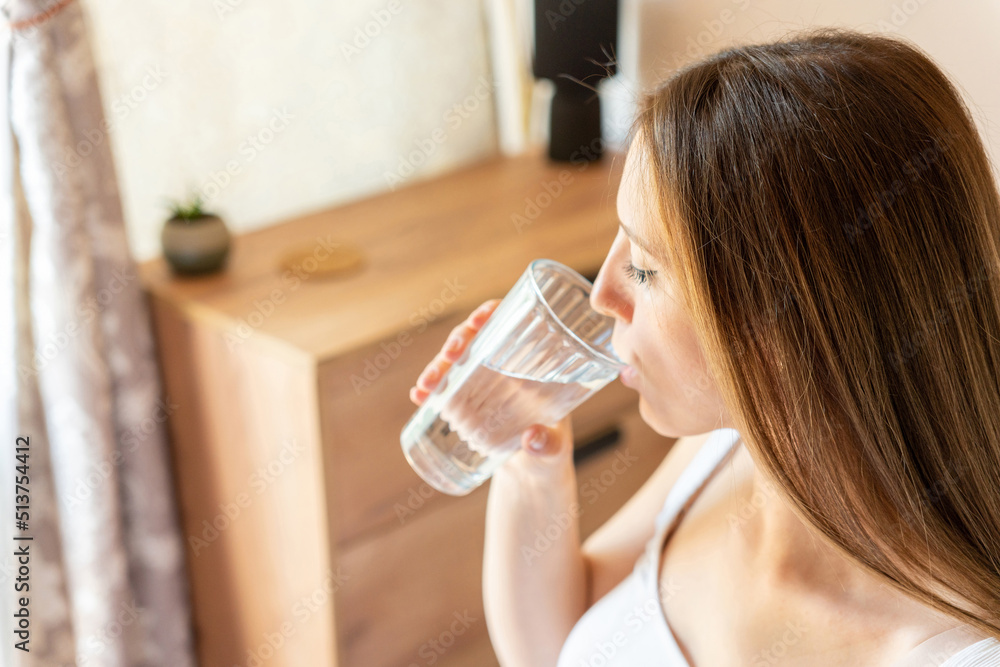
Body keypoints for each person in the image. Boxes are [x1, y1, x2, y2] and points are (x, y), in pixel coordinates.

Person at [408, 27, 1000, 666]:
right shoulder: (732, 446)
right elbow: (555, 645)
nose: (603, 294)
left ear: (782, 328)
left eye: (643, 268)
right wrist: (530, 466)